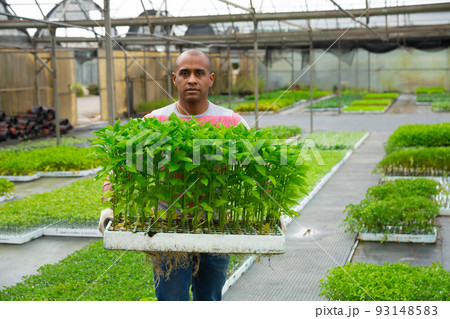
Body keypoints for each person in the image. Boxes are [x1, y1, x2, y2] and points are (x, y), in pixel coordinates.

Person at [99, 49, 249, 301]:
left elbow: (255, 169)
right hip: (166, 230)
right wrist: (110, 205)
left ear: (210, 79)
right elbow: (121, 169)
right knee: (171, 302)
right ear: (174, 79)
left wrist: (273, 210)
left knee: (209, 299)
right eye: (185, 73)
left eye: (199, 73)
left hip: (216, 227)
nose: (192, 79)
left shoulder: (232, 122)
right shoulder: (153, 122)